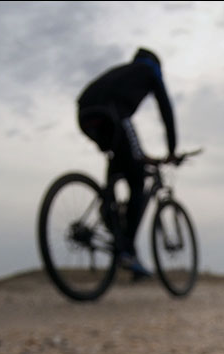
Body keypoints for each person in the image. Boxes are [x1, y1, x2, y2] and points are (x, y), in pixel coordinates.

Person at [76, 47, 177, 279]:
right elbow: (166, 110)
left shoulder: (123, 71)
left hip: (85, 113)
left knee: (120, 164)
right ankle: (127, 251)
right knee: (137, 178)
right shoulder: (149, 73)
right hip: (112, 115)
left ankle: (110, 216)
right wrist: (171, 150)